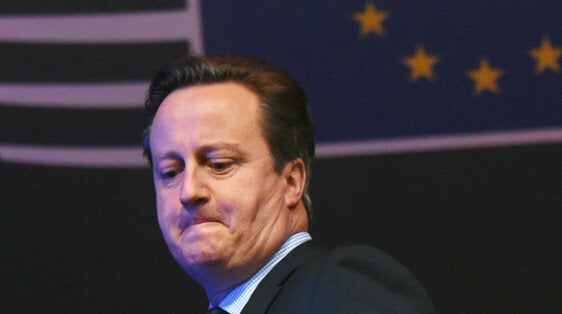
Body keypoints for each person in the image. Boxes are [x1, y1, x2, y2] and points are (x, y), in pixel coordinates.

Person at [142, 55, 436, 313]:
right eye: (170, 172)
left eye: (219, 164)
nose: (189, 190)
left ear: (292, 181)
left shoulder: (345, 289)